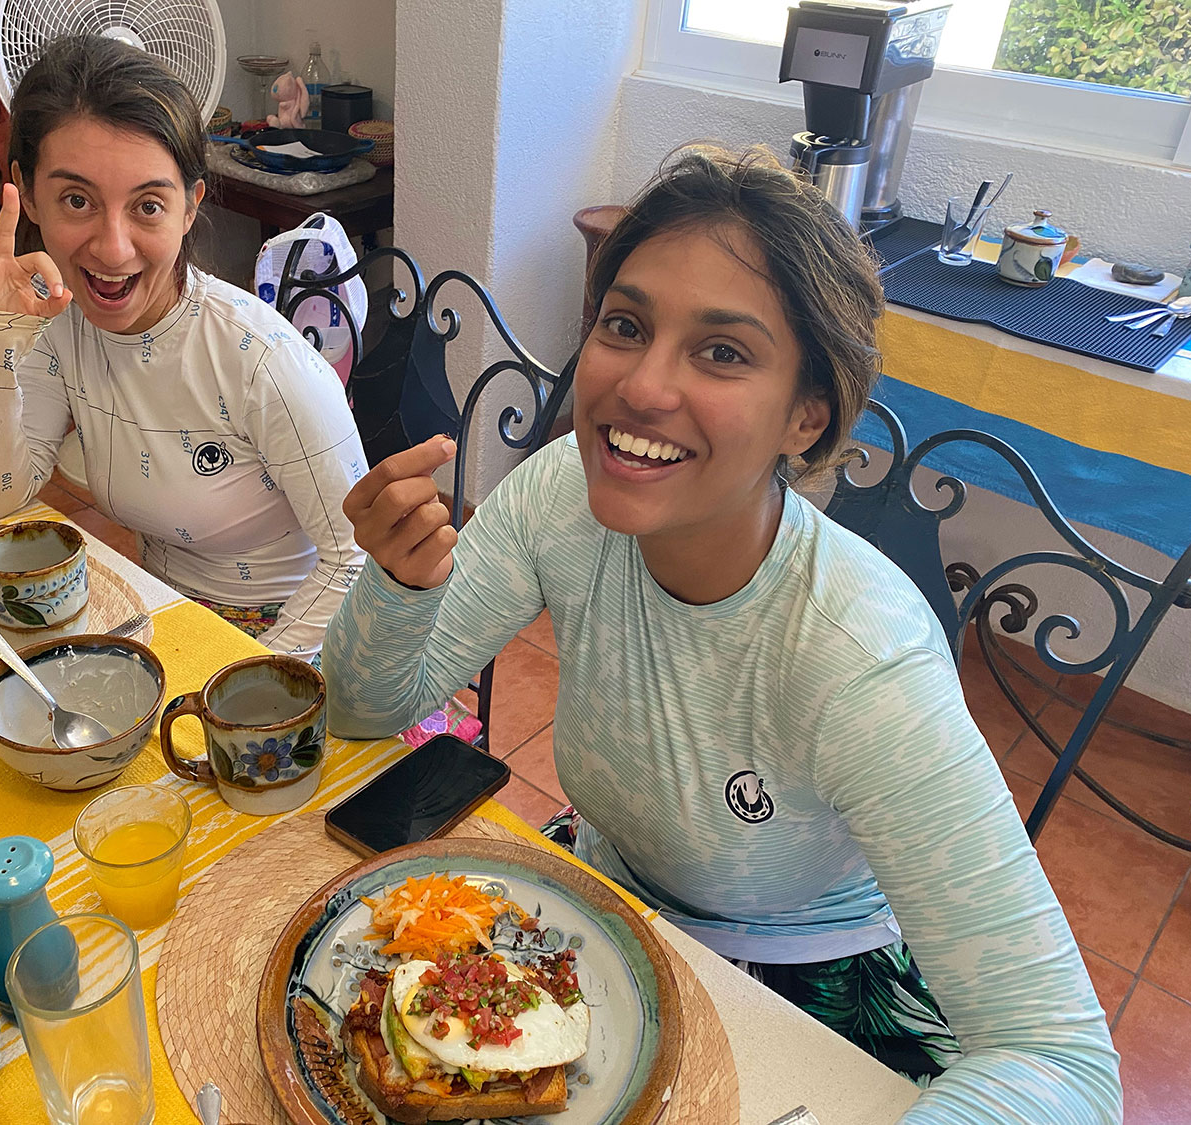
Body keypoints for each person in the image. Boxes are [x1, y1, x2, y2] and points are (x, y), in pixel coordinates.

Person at [322, 145, 1121, 1122]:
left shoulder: (859, 653)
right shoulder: (558, 495)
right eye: (626, 325)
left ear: (807, 418)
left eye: (723, 352)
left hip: (812, 982)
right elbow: (364, 709)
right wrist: (403, 582)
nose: (643, 387)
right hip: (608, 907)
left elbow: (1064, 1063)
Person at [0, 35, 366, 661]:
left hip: (292, 641)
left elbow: (354, 560)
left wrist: (236, 684)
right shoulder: (59, 322)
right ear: (28, 196)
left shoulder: (262, 362)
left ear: (190, 207)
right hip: (157, 615)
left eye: (147, 205)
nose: (113, 250)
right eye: (77, 200)